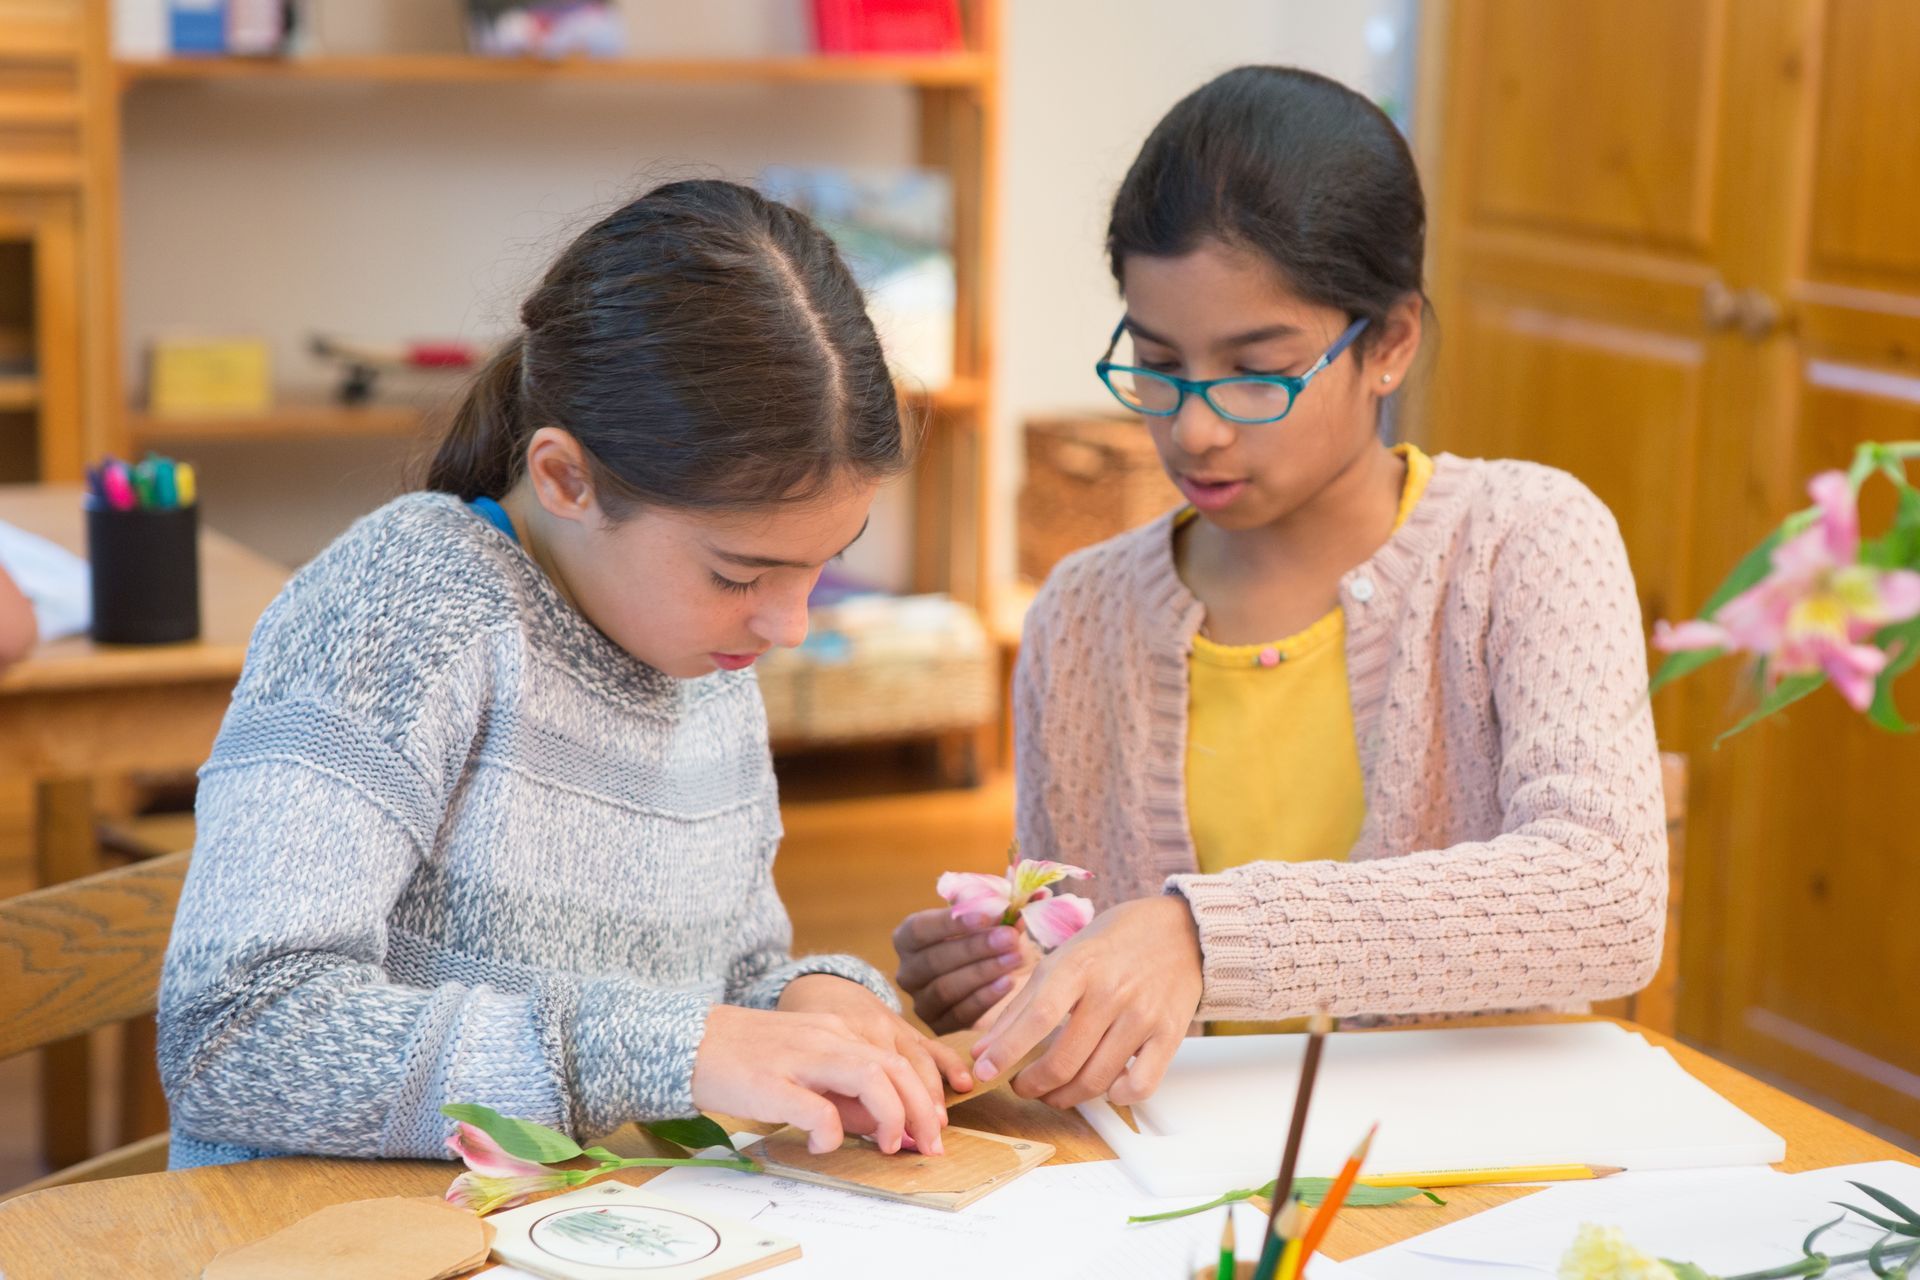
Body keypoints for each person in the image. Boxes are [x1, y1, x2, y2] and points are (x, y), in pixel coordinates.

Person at [894, 66, 1667, 1109]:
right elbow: (1096, 979)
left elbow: (1607, 901)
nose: (1195, 426)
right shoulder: (1083, 613)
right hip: (1182, 1173)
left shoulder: (1524, 541)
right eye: (1158, 362)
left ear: (1389, 342)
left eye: (1258, 371)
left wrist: (1202, 932)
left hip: (1476, 1156)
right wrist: (1009, 985)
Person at [160, 180, 970, 1171]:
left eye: (824, 559)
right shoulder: (403, 604)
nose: (791, 623)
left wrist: (809, 998)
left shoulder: (704, 646)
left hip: (588, 1219)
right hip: (335, 1232)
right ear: (564, 478)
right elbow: (234, 1037)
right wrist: (659, 1050)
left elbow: (715, 994)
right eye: (741, 572)